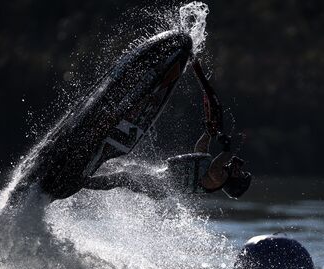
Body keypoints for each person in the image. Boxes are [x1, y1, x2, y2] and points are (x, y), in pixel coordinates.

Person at [81, 60, 252, 199]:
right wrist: (208, 133)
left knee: (122, 178)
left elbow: (216, 166)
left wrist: (227, 150)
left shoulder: (218, 179)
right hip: (160, 177)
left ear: (233, 182)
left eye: (240, 174)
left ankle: (82, 183)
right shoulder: (213, 174)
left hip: (159, 187)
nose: (238, 169)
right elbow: (200, 151)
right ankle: (85, 169)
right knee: (124, 168)